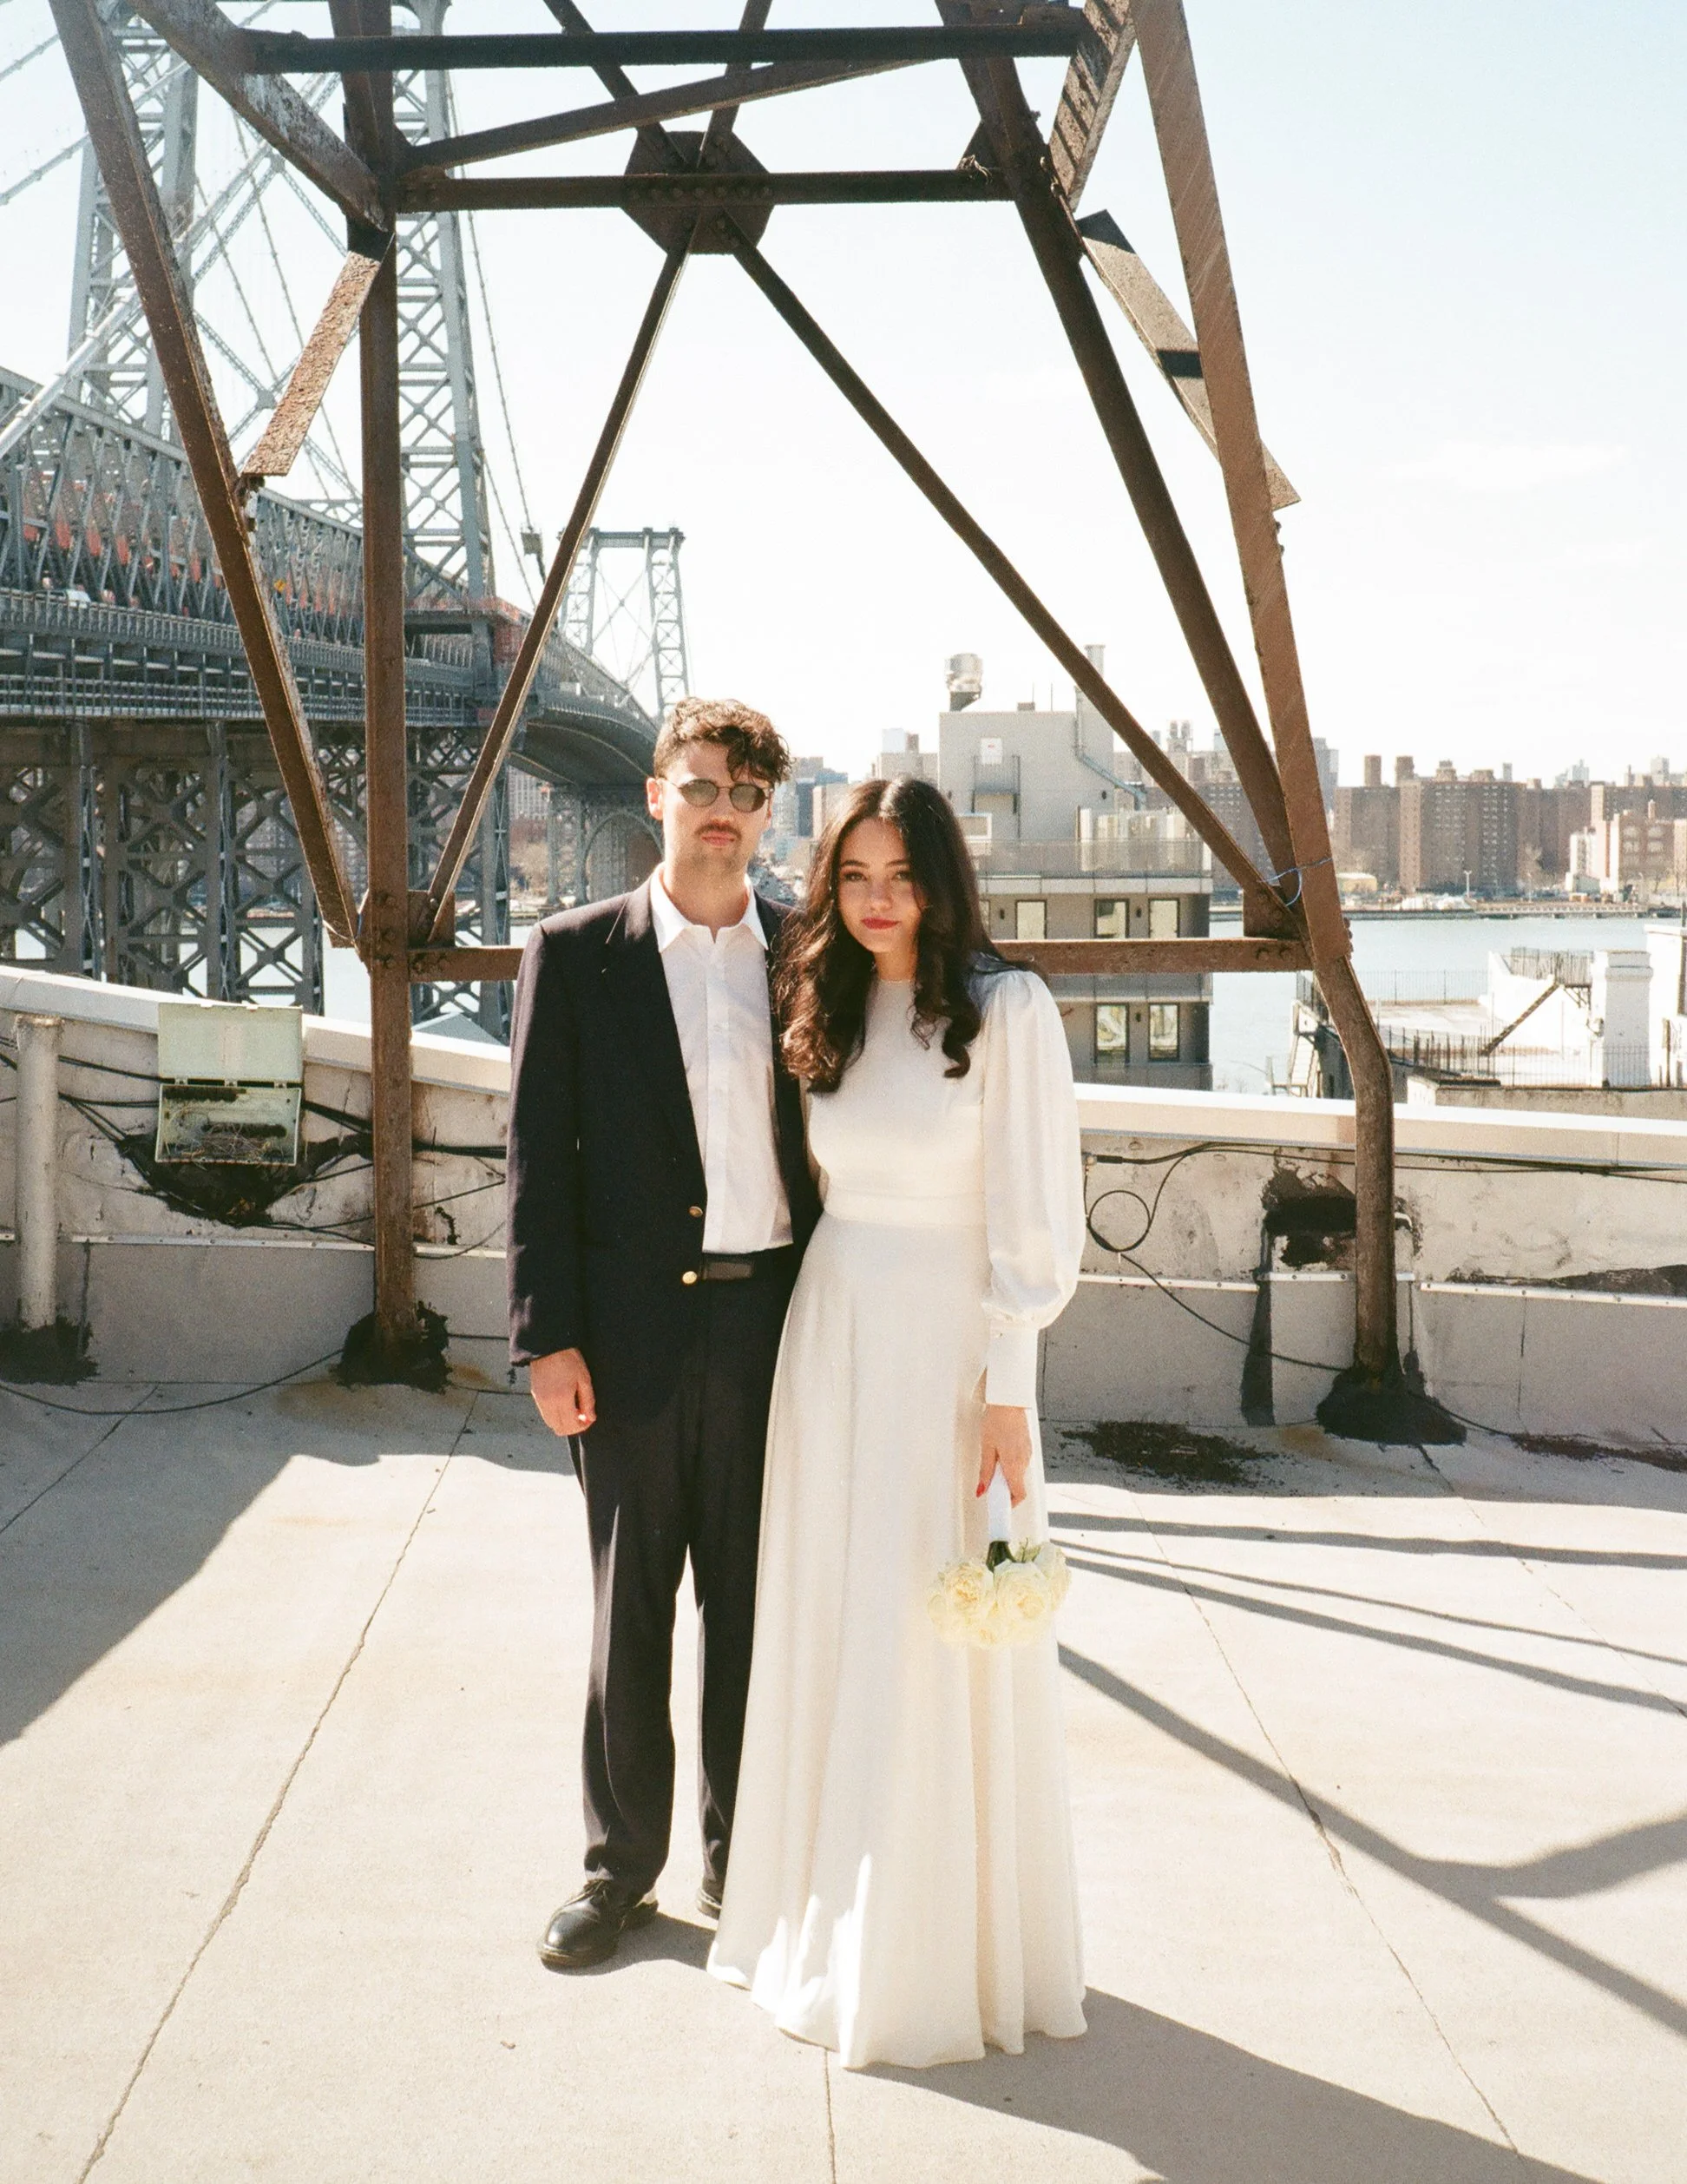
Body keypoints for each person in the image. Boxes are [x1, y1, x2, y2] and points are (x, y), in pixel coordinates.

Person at [709, 775, 1087, 2069]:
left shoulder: (1008, 1010)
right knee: (836, 1621)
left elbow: (1035, 1216)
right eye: (855, 877)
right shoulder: (823, 1001)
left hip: (948, 1355)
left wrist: (1009, 1389)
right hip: (832, 1336)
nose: (878, 903)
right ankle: (826, 1912)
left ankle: (934, 1955)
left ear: (943, 882)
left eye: (903, 877)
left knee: (930, 1634)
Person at [507, 696, 821, 1972]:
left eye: (745, 795)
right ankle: (617, 1873)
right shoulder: (575, 953)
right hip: (628, 1338)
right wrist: (545, 1338)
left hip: (776, 1332)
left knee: (756, 1612)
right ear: (655, 797)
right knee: (630, 1613)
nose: (722, 815)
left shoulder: (805, 955)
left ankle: (744, 1861)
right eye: (701, 788)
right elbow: (537, 1162)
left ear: (764, 813)